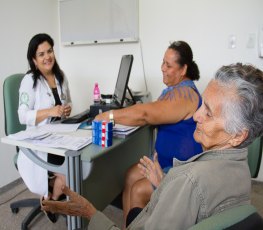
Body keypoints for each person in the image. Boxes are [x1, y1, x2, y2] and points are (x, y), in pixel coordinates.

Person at [41, 63, 263, 229]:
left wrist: (90, 212)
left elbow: (146, 114)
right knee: (132, 178)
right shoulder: (241, 170)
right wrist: (166, 185)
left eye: (208, 112)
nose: (196, 115)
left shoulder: (188, 180)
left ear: (237, 135)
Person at [96, 41, 203, 224]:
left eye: (168, 65)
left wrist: (109, 115)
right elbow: (153, 109)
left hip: (180, 170)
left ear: (183, 69)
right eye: (163, 62)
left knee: (139, 189)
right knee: (130, 175)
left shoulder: (185, 95)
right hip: (164, 162)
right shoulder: (174, 90)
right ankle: (127, 227)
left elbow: (146, 114)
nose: (162, 68)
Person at [17, 33, 72, 222]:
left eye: (49, 51)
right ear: (34, 59)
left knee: (79, 162)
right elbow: (22, 115)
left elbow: (68, 103)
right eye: (41, 54)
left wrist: (66, 110)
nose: (47, 57)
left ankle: (51, 199)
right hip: (39, 143)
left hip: (59, 137)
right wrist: (50, 112)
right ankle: (52, 201)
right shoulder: (29, 81)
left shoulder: (61, 76)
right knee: (70, 171)